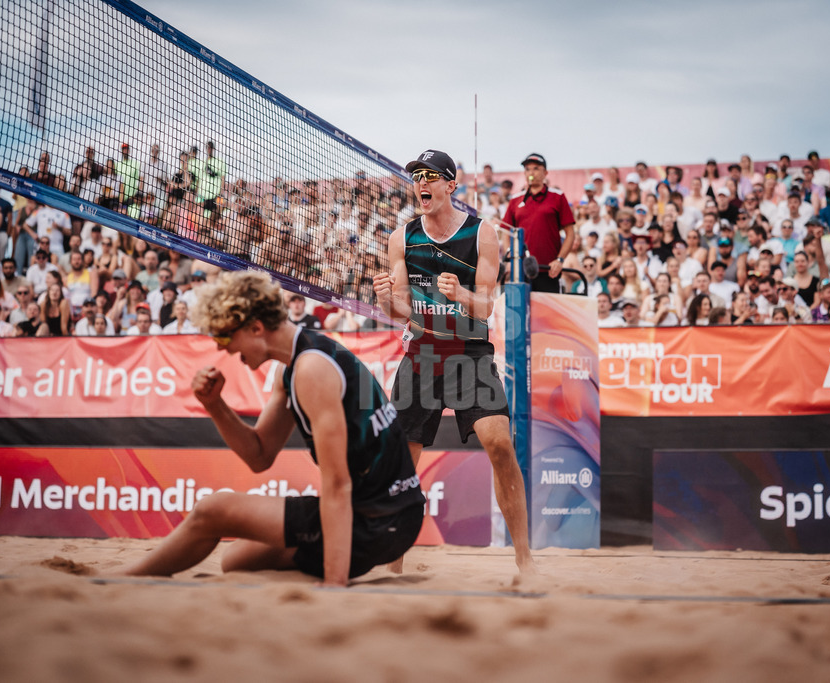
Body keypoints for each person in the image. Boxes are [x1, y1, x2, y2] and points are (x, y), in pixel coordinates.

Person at [119, 271, 424, 585]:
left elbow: (337, 484)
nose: (223, 349)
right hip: (389, 512)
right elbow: (259, 456)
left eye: (224, 337)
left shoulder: (312, 368)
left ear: (255, 328)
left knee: (213, 510)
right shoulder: (296, 365)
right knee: (239, 560)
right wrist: (214, 405)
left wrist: (334, 585)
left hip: (380, 519)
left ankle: (123, 579)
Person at [373, 148, 535, 574]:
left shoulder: (482, 233)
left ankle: (525, 560)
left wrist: (460, 293)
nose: (421, 183)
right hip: (422, 353)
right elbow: (401, 311)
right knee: (402, 463)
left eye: (430, 176)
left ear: (450, 185)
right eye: (417, 177)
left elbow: (485, 307)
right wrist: (387, 301)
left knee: (500, 445)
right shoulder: (401, 237)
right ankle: (393, 566)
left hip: (469, 353)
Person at [502, 153, 576, 293]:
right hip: (520, 270)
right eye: (528, 169)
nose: (531, 172)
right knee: (520, 307)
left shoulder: (557, 196)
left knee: (547, 308)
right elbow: (506, 233)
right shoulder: (515, 200)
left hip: (549, 270)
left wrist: (560, 260)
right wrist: (511, 258)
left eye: (536, 168)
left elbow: (570, 233)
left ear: (545, 173)